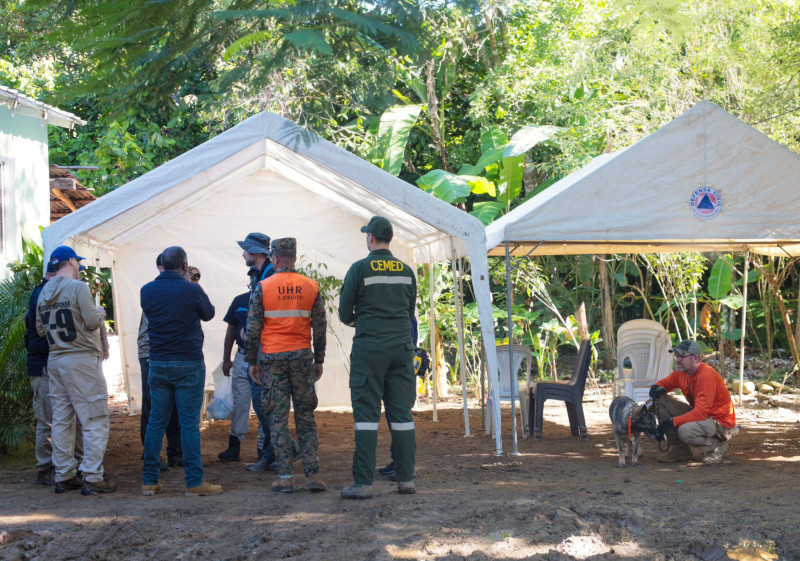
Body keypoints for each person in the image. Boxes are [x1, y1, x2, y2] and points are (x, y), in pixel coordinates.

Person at [338, 216, 418, 499]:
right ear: (390, 239)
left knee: (367, 418)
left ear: (370, 237)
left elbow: (344, 313)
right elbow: (409, 314)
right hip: (401, 349)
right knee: (402, 416)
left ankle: (363, 483)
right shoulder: (407, 271)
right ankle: (407, 479)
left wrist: (365, 320)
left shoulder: (359, 269)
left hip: (370, 351)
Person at [244, 238, 327, 493]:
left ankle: (285, 476)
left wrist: (252, 361)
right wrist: (319, 358)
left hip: (272, 360)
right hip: (302, 358)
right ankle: (313, 476)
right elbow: (320, 326)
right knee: (306, 416)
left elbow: (252, 329)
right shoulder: (311, 286)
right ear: (294, 258)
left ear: (275, 259)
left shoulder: (264, 287)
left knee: (277, 418)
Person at [140, 246, 220, 496]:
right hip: (188, 363)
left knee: (155, 422)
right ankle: (194, 482)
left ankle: (149, 481)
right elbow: (208, 314)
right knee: (188, 424)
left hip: (158, 362)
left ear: (162, 264)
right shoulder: (191, 289)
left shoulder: (147, 290)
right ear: (184, 266)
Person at [36, 246, 114, 495]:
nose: (79, 266)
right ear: (71, 261)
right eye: (77, 262)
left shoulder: (43, 292)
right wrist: (100, 314)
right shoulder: (78, 287)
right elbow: (92, 322)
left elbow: (40, 330)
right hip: (81, 359)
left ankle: (64, 474)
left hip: (55, 360)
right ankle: (91, 476)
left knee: (61, 420)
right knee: (94, 418)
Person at [25, 262, 83, 486]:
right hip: (43, 364)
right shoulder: (43, 293)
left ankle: (68, 464)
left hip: (54, 363)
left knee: (66, 416)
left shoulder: (48, 291)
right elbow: (40, 332)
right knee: (48, 419)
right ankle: (46, 467)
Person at [651, 340, 739, 465]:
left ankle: (716, 447)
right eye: (677, 356)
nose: (677, 360)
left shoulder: (706, 376)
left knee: (685, 431)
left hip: (719, 423)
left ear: (695, 358)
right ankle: (680, 450)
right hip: (702, 414)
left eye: (681, 356)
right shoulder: (682, 371)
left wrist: (672, 422)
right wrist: (656, 388)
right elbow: (666, 384)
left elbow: (700, 414)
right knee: (659, 400)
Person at [138, 253, 183, 470]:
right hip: (151, 353)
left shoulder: (171, 288)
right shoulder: (154, 290)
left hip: (168, 354)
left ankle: (175, 452)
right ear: (160, 267)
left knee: (174, 406)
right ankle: (151, 456)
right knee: (153, 407)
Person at [218, 291, 253, 463]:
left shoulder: (270, 296)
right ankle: (234, 446)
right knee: (240, 403)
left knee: (264, 405)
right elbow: (231, 330)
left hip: (263, 358)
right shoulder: (239, 300)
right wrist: (226, 359)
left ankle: (265, 448)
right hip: (242, 357)